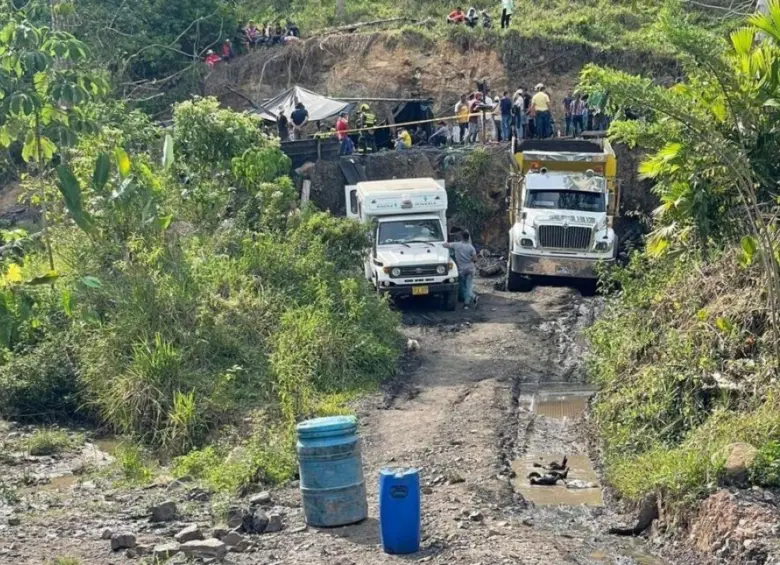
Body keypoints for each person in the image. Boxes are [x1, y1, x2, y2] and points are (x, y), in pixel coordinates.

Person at [444, 231, 478, 308]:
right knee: (468, 286)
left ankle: (469, 301)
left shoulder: (456, 245)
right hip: (470, 269)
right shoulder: (471, 247)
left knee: (463, 286)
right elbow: (475, 259)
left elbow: (445, 245)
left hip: (461, 270)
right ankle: (468, 301)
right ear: (468, 238)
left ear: (462, 237)